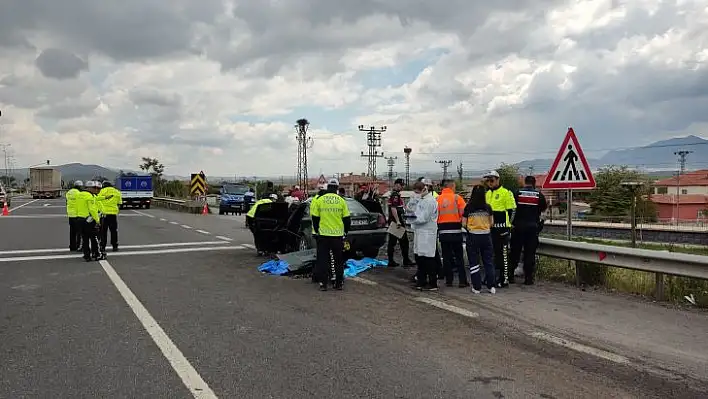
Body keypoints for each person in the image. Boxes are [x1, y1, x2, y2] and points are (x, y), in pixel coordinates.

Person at [310, 178, 350, 291]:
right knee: (338, 260)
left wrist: (317, 230)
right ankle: (338, 283)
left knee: (323, 259)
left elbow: (315, 218)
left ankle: (323, 284)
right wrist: (345, 232)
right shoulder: (341, 201)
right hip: (337, 236)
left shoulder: (320, 200)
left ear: (328, 188)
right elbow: (347, 219)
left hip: (323, 235)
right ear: (337, 188)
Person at [509, 176, 548, 285]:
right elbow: (544, 213)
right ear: (534, 183)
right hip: (532, 228)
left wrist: (511, 225)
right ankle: (528, 278)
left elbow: (511, 210)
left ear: (525, 183)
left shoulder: (517, 193)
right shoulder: (539, 195)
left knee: (514, 252)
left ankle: (510, 276)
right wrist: (540, 226)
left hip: (518, 228)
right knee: (529, 253)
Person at [484, 170, 516, 287]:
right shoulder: (487, 194)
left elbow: (512, 210)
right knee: (490, 254)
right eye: (487, 180)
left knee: (502, 255)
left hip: (502, 229)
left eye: (491, 180)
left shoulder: (506, 193)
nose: (489, 183)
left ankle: (504, 279)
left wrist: (508, 226)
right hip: (489, 229)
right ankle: (491, 277)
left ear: (498, 180)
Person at [463, 185, 496, 294]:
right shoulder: (488, 207)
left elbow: (463, 223)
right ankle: (491, 286)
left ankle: (477, 287)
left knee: (474, 262)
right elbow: (492, 223)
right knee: (488, 262)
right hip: (486, 237)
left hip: (473, 236)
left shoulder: (468, 207)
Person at [408, 180, 439, 291]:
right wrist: (412, 202)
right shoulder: (421, 199)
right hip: (419, 232)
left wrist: (410, 218)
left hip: (427, 233)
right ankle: (421, 281)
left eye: (417, 192)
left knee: (428, 259)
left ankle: (432, 283)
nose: (416, 194)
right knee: (419, 258)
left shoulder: (430, 201)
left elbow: (423, 218)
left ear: (424, 189)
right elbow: (411, 209)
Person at [437, 179, 468, 288]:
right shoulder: (457, 198)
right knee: (459, 257)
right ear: (451, 186)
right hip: (456, 230)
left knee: (446, 256)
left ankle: (449, 281)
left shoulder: (437, 199)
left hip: (443, 231)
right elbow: (464, 213)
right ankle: (462, 281)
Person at [387, 178, 414, 268]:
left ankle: (393, 261)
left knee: (393, 241)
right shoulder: (395, 195)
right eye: (400, 185)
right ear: (396, 185)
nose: (401, 187)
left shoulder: (396, 194)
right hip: (396, 223)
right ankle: (405, 260)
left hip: (395, 222)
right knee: (403, 241)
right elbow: (393, 208)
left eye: (402, 186)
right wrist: (398, 221)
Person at [77, 181, 101, 261]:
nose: (96, 190)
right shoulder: (89, 197)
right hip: (88, 220)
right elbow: (92, 210)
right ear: (89, 188)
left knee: (85, 238)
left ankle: (86, 255)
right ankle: (96, 254)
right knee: (94, 237)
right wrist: (97, 220)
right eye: (95, 188)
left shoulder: (79, 195)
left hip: (80, 218)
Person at [97, 180, 122, 252]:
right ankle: (115, 246)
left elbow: (97, 201)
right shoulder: (117, 192)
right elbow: (119, 203)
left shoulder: (101, 191)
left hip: (103, 214)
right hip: (113, 214)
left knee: (103, 231)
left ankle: (102, 246)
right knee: (114, 231)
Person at [65, 180, 83, 252]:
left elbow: (67, 202)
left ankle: (72, 246)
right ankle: (78, 245)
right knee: (79, 232)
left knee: (72, 232)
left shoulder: (69, 192)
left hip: (70, 214)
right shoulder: (79, 193)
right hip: (77, 214)